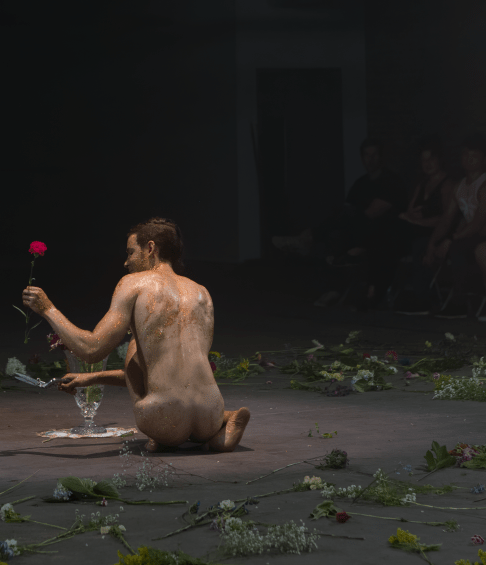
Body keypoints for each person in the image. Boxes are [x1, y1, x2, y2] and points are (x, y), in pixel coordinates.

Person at [21, 217, 250, 452]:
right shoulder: (202, 293)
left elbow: (91, 349)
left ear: (150, 248)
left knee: (135, 345)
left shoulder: (134, 283)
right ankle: (221, 426)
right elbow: (174, 373)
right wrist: (90, 378)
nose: (126, 262)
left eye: (131, 252)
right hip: (210, 413)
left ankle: (162, 439)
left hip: (162, 418)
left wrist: (47, 309)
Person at [273, 138, 405, 307]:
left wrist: (347, 219)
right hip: (357, 231)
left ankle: (306, 238)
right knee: (334, 230)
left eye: (374, 155)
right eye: (366, 155)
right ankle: (332, 288)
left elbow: (372, 214)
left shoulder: (391, 181)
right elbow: (348, 211)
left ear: (381, 156)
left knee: (341, 218)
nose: (370, 160)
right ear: (361, 158)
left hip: (383, 234)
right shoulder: (360, 183)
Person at [422, 135, 486, 319]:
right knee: (430, 245)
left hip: (481, 234)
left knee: (457, 247)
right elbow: (446, 219)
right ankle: (429, 299)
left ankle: (461, 303)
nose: (469, 158)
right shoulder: (459, 187)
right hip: (472, 237)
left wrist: (451, 239)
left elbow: (479, 223)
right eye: (465, 154)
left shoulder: (484, 185)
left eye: (474, 155)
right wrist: (432, 243)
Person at [393, 140, 455, 315]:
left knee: (419, 244)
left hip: (436, 234)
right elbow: (410, 212)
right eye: (423, 160)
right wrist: (411, 217)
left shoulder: (447, 185)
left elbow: (446, 219)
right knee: (390, 232)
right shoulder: (422, 185)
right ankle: (382, 290)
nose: (427, 164)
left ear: (440, 159)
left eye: (431, 159)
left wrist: (418, 221)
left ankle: (422, 299)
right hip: (416, 230)